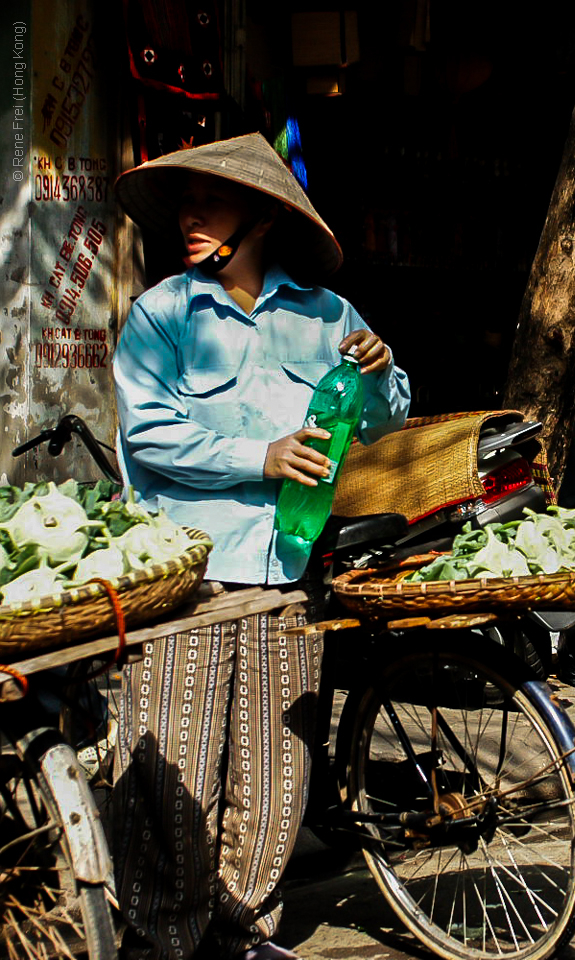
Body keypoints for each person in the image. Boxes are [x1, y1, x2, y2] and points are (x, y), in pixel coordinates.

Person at [110, 133, 411, 960]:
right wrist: (261, 456)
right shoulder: (162, 313)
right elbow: (151, 437)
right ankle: (163, 935)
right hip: (192, 579)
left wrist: (382, 373)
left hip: (288, 576)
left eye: (210, 201)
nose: (190, 216)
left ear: (267, 216)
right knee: (173, 773)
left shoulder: (328, 316)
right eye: (184, 203)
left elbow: (383, 422)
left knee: (276, 774)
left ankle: (246, 927)